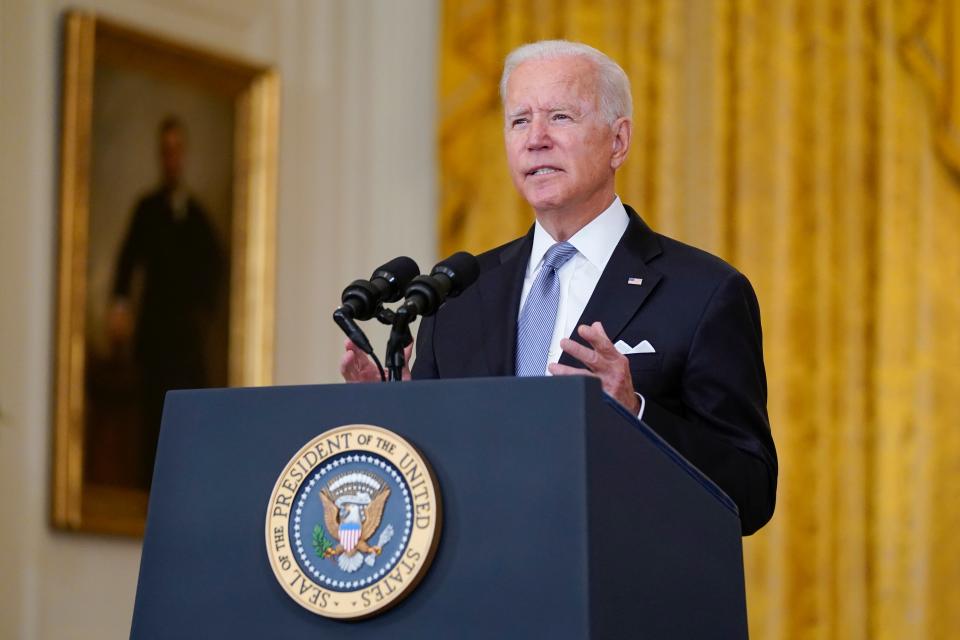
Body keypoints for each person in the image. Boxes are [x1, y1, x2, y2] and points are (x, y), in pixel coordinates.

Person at [340, 41, 777, 535]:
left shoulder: (703, 293)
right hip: (481, 596)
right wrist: (390, 416)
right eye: (519, 120)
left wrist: (635, 413)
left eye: (561, 117)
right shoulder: (458, 294)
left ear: (618, 142)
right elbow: (434, 480)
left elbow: (750, 491)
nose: (536, 139)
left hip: (621, 597)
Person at [108, 116, 223, 488]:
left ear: (183, 155)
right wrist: (120, 306)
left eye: (177, 151)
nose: (172, 159)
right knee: (152, 421)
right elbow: (127, 261)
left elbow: (215, 266)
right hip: (155, 336)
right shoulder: (147, 209)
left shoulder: (197, 216)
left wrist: (202, 310)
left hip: (185, 340)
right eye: (166, 151)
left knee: (188, 428)